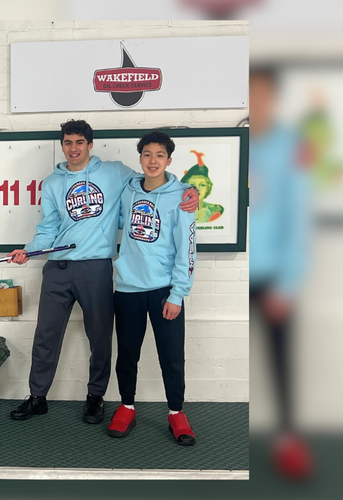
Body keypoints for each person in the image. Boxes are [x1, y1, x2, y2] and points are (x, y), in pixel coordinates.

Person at [6, 119, 199, 424]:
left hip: (95, 267)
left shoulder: (114, 172)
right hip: (57, 267)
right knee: (45, 335)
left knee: (100, 338)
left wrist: (189, 189)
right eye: (68, 142)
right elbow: (47, 229)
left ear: (90, 145)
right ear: (62, 145)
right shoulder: (53, 183)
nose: (73, 148)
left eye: (79, 142)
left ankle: (96, 397)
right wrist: (28, 250)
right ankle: (37, 396)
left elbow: (153, 181)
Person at [105, 131, 197, 445]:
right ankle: (127, 405)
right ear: (140, 158)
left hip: (164, 291)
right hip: (128, 288)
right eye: (147, 154)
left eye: (160, 155)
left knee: (171, 355)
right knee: (127, 353)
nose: (153, 160)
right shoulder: (128, 191)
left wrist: (178, 293)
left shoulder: (183, 196)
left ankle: (176, 412)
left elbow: (187, 248)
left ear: (169, 160)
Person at [248, 67, 314, 479]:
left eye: (263, 95)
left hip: (273, 277)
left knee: (280, 360)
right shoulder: (237, 142)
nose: (256, 104)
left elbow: (300, 218)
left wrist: (287, 285)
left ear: (274, 99)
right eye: (249, 95)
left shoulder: (291, 146)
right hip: (239, 271)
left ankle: (288, 438)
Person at [180, 150, 225, 223]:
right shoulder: (175, 210)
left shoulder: (215, 211)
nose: (197, 188)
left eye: (202, 185)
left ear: (208, 188)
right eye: (192, 185)